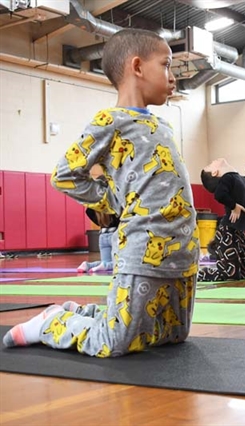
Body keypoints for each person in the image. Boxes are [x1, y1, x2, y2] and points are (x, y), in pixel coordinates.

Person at [3, 29, 199, 357]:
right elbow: (64, 175)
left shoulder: (163, 125)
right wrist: (113, 200)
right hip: (143, 248)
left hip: (182, 249)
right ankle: (53, 322)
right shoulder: (110, 121)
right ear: (137, 67)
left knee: (170, 336)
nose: (173, 76)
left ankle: (90, 314)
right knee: (113, 343)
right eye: (166, 65)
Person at [198, 158, 245, 281]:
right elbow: (220, 195)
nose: (213, 160)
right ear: (215, 172)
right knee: (230, 274)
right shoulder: (227, 178)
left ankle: (235, 271)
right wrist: (234, 206)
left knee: (244, 272)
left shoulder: (242, 179)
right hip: (226, 230)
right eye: (210, 164)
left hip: (237, 229)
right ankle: (203, 274)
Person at [77, 208, 120, 273]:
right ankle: (106, 266)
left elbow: (88, 211)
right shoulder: (114, 205)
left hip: (103, 236)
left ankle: (88, 265)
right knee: (124, 262)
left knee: (106, 261)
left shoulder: (97, 208)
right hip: (116, 235)